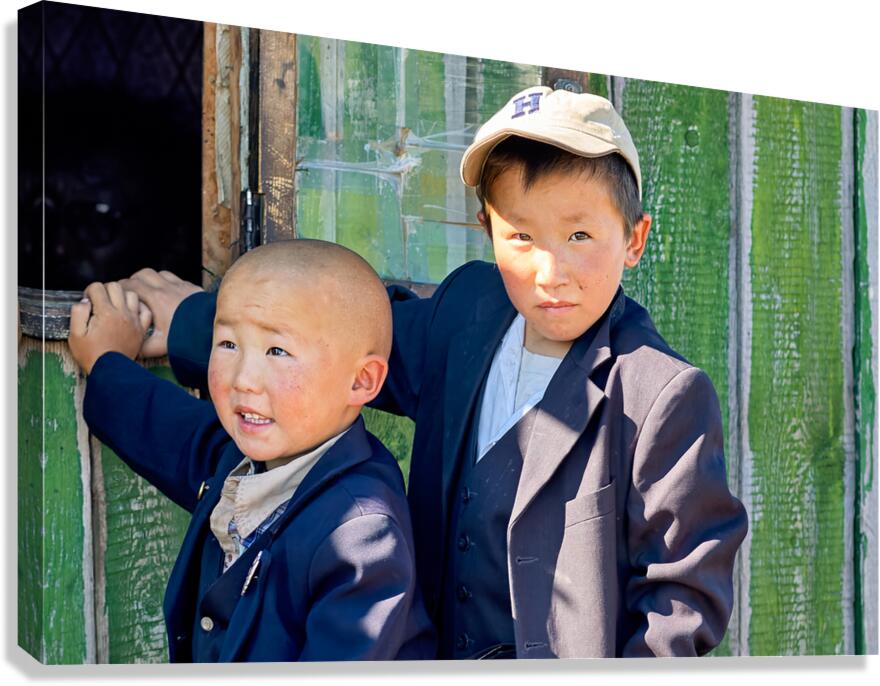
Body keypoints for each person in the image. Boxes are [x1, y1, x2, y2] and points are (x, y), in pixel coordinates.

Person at [123, 86, 748, 659]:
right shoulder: (467, 315)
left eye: (580, 235)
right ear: (488, 230)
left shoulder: (659, 394)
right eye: (522, 236)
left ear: (634, 240)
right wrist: (188, 320)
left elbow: (682, 600)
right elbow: (338, 338)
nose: (549, 271)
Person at [67, 239, 434, 662]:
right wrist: (106, 361)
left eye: (277, 351)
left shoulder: (361, 538)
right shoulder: (247, 460)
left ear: (362, 381)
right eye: (227, 344)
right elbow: (167, 431)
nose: (244, 378)